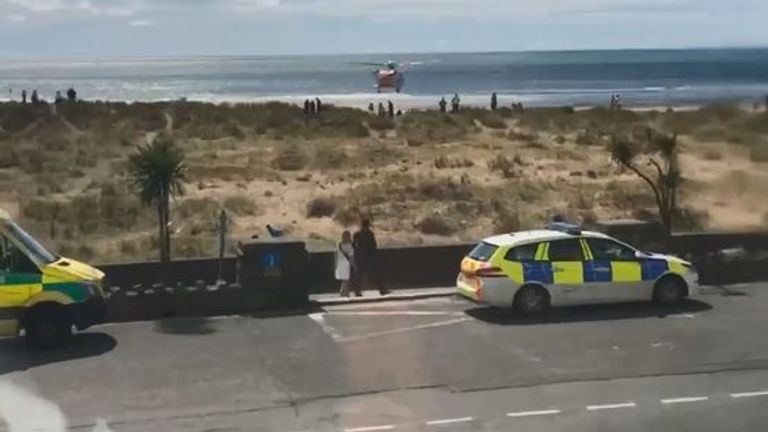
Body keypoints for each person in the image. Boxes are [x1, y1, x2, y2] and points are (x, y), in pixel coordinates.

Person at [352, 219, 388, 296]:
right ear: (368, 225)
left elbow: (354, 246)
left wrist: (357, 254)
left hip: (360, 258)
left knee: (359, 276)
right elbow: (374, 246)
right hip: (369, 257)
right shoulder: (370, 234)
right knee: (376, 274)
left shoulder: (357, 234)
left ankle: (357, 292)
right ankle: (382, 290)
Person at [336, 231, 354, 297]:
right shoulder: (350, 245)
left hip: (340, 263)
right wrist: (352, 264)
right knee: (347, 279)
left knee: (344, 279)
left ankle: (343, 292)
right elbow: (351, 255)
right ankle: (344, 293)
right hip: (347, 263)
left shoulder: (339, 244)